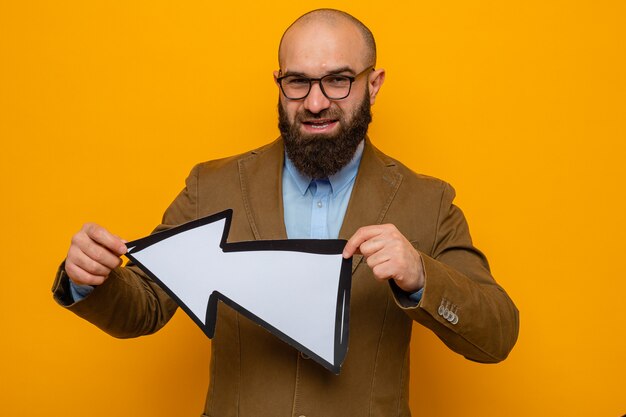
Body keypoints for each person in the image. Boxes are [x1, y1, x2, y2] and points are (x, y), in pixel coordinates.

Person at [52, 8, 519, 417]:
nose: (315, 103)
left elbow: (497, 334)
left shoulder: (428, 201)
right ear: (279, 83)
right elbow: (147, 305)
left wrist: (422, 275)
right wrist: (91, 278)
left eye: (338, 80)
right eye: (297, 82)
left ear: (373, 85)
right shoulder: (211, 185)